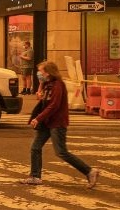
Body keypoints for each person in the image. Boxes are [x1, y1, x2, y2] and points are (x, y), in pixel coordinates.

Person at [20, 60, 100, 188]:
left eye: (41, 71)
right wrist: (40, 87)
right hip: (47, 123)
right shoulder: (48, 84)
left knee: (61, 152)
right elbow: (42, 100)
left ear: (48, 73)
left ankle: (90, 171)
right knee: (35, 147)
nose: (39, 74)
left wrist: (38, 118)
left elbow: (54, 105)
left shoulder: (58, 85)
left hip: (57, 123)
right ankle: (35, 176)